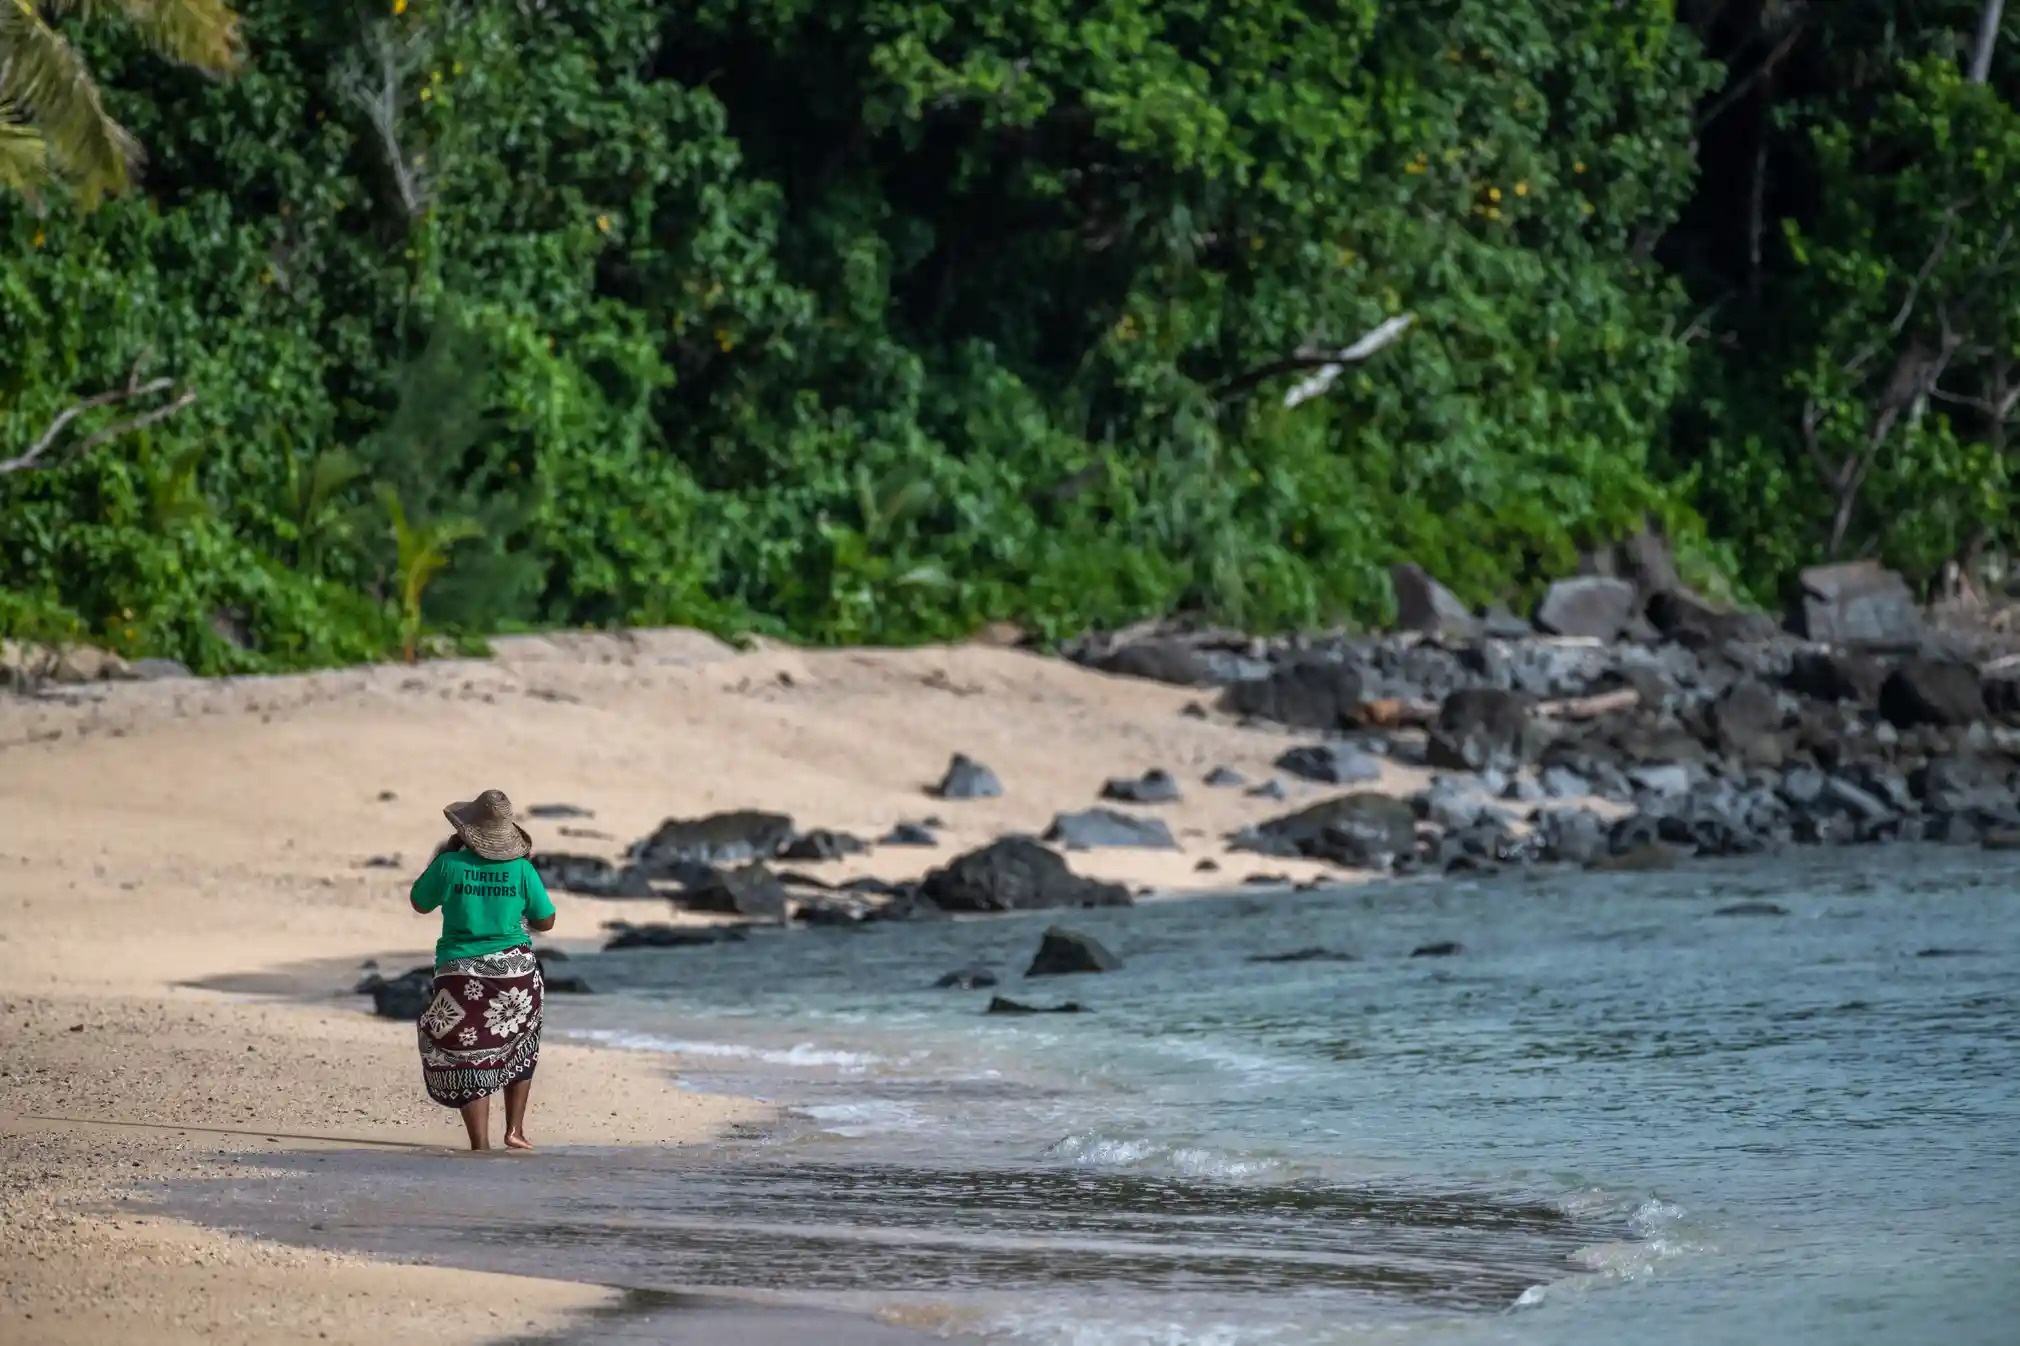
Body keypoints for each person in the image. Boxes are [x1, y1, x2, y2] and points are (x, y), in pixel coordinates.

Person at [407, 789, 556, 1151]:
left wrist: (446, 859)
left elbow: (419, 902)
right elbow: (546, 920)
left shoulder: (449, 865)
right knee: (521, 1042)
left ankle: (480, 1144)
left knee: (467, 1054)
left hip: (460, 973)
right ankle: (515, 1130)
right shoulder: (521, 869)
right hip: (515, 973)